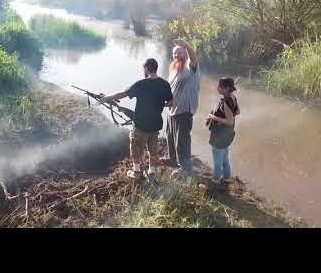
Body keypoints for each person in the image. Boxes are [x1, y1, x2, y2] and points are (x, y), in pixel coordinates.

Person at [98, 58, 173, 179]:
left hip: (141, 124)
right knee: (153, 149)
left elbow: (123, 94)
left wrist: (106, 98)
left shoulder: (141, 84)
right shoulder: (165, 84)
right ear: (156, 68)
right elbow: (170, 103)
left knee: (135, 147)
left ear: (146, 69)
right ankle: (152, 172)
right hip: (155, 125)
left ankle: (137, 172)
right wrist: (159, 104)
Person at [164, 39, 201, 178]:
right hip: (172, 109)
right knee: (170, 136)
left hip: (185, 109)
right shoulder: (174, 69)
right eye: (174, 53)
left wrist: (185, 44)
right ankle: (173, 159)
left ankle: (185, 168)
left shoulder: (190, 67)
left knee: (182, 139)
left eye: (179, 52)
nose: (176, 55)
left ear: (185, 53)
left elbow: (194, 56)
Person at [206, 77, 240, 186]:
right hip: (228, 134)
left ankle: (215, 181)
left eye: (219, 87)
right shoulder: (233, 97)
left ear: (226, 88)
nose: (217, 88)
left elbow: (229, 121)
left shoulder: (226, 102)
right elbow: (237, 112)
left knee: (217, 162)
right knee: (225, 159)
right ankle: (226, 179)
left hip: (219, 136)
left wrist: (213, 117)